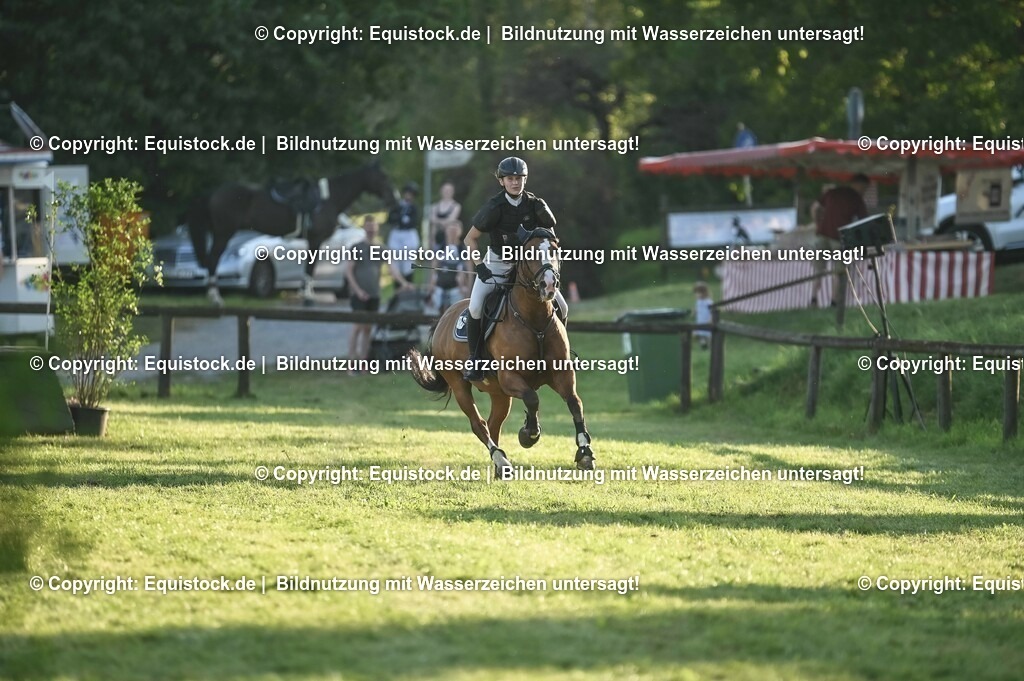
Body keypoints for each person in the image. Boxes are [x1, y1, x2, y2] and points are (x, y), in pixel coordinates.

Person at [462, 156, 568, 382]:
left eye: (519, 178)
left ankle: (559, 355)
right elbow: (470, 239)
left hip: (528, 267)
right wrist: (480, 267)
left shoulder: (534, 204)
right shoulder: (494, 207)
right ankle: (475, 359)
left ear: (525, 180)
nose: (515, 183)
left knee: (563, 307)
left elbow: (551, 235)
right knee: (476, 307)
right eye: (510, 179)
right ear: (502, 181)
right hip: (497, 265)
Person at [345, 215, 413, 374]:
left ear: (377, 228)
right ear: (364, 228)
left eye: (373, 226)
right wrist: (358, 291)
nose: (371, 229)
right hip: (358, 294)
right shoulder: (357, 247)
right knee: (357, 327)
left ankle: (363, 364)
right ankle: (350, 364)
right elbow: (348, 272)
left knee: (368, 329)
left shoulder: (381, 248)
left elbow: (392, 269)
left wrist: (404, 283)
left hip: (374, 294)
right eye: (368, 226)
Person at [810, 173, 869, 307]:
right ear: (860, 185)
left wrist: (817, 224)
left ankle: (813, 299)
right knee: (840, 271)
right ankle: (834, 302)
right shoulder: (857, 199)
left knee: (818, 270)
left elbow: (814, 207)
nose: (864, 191)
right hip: (840, 238)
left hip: (822, 234)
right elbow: (863, 222)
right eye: (864, 188)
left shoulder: (832, 192)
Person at [427, 221, 466, 315]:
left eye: (455, 229)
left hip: (456, 287)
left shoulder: (463, 249)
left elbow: (467, 270)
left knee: (455, 313)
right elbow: (434, 268)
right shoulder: (440, 247)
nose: (453, 232)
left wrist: (466, 287)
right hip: (440, 286)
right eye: (450, 229)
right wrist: (431, 288)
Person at [386, 182, 420, 281]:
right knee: (395, 261)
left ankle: (408, 284)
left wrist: (402, 220)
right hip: (397, 233)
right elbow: (390, 219)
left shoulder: (413, 208)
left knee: (408, 262)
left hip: (408, 234)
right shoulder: (397, 206)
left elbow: (413, 222)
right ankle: (398, 284)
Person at [430, 180, 462, 248]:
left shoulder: (456, 206)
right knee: (433, 228)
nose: (447, 192)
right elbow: (432, 220)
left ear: (453, 192)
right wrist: (443, 223)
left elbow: (451, 219)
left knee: (453, 226)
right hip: (438, 233)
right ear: (441, 191)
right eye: (445, 190)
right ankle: (434, 249)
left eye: (449, 190)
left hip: (450, 235)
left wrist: (438, 221)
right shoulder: (435, 206)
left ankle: (450, 248)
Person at [693, 281, 713, 349]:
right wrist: (695, 312)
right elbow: (697, 308)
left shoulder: (708, 301)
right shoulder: (698, 301)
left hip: (706, 320)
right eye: (696, 293)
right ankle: (703, 344)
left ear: (705, 293)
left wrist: (711, 319)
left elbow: (712, 311)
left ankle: (711, 345)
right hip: (700, 320)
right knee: (700, 333)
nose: (697, 295)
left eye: (699, 293)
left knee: (708, 334)